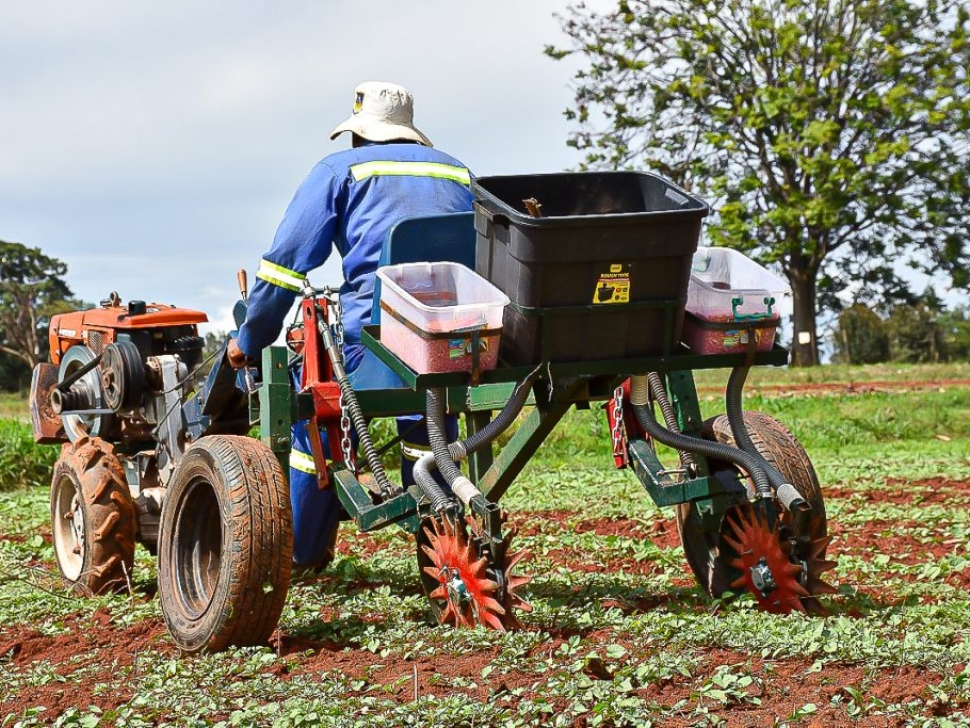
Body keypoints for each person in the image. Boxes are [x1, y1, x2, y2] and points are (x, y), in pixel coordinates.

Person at [227, 81, 473, 567]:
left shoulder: (340, 169)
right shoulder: (457, 170)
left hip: (373, 342)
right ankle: (438, 546)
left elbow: (284, 265)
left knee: (312, 416)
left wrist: (250, 340)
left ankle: (305, 552)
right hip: (452, 339)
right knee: (429, 424)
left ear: (359, 134)